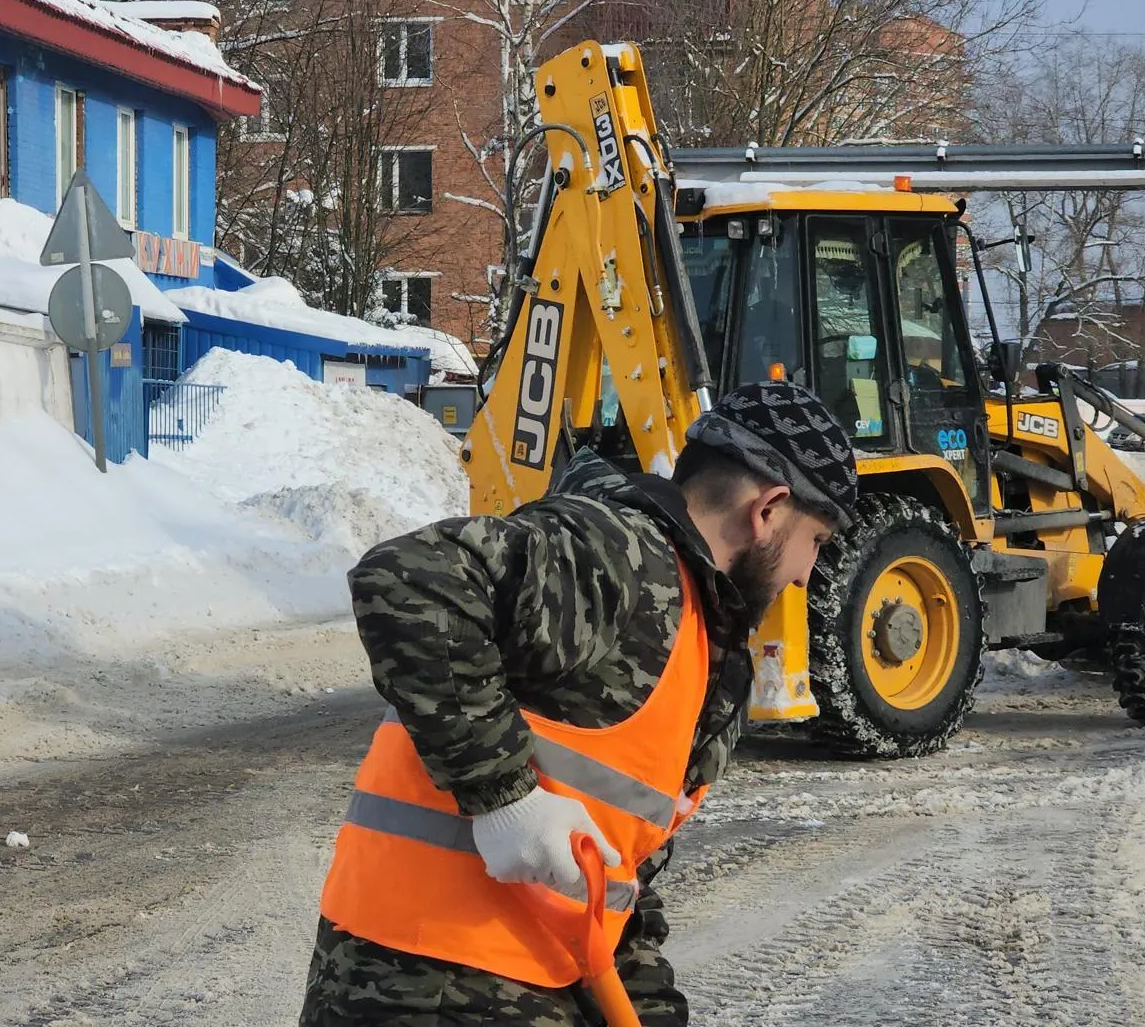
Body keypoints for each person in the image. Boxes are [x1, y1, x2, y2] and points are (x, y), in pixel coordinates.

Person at [299, 380, 859, 1026]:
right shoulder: (617, 556)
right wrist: (503, 794)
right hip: (421, 984)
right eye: (815, 541)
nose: (805, 574)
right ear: (769, 508)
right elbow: (409, 575)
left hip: (532, 984)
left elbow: (619, 872)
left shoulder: (699, 637)